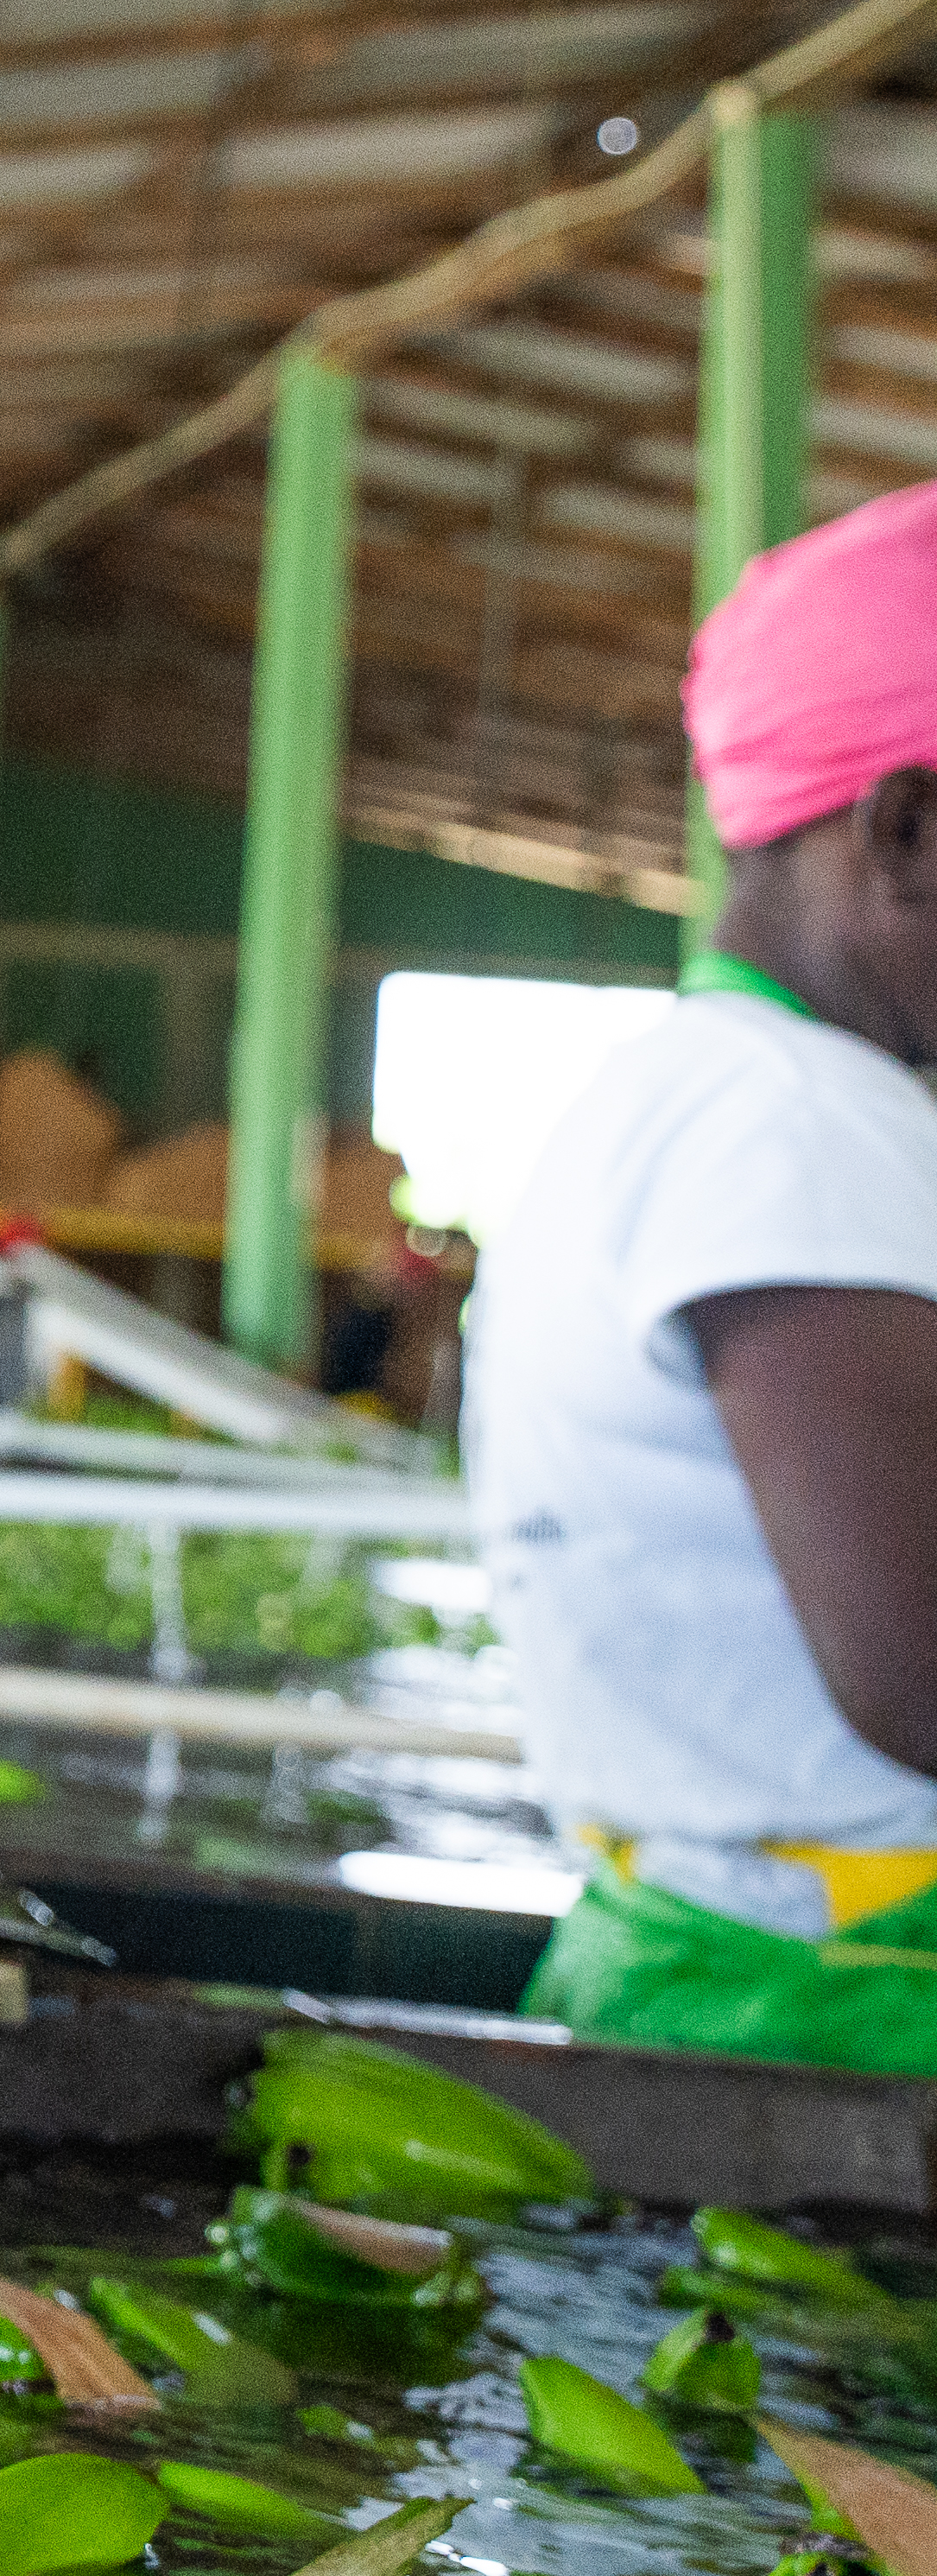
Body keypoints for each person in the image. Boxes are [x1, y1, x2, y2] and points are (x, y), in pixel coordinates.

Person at [478, 479, 937, 2071]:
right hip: (836, 2025)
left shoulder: (703, 1088)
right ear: (905, 831)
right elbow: (919, 1671)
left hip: (724, 1970)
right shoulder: (793, 1125)